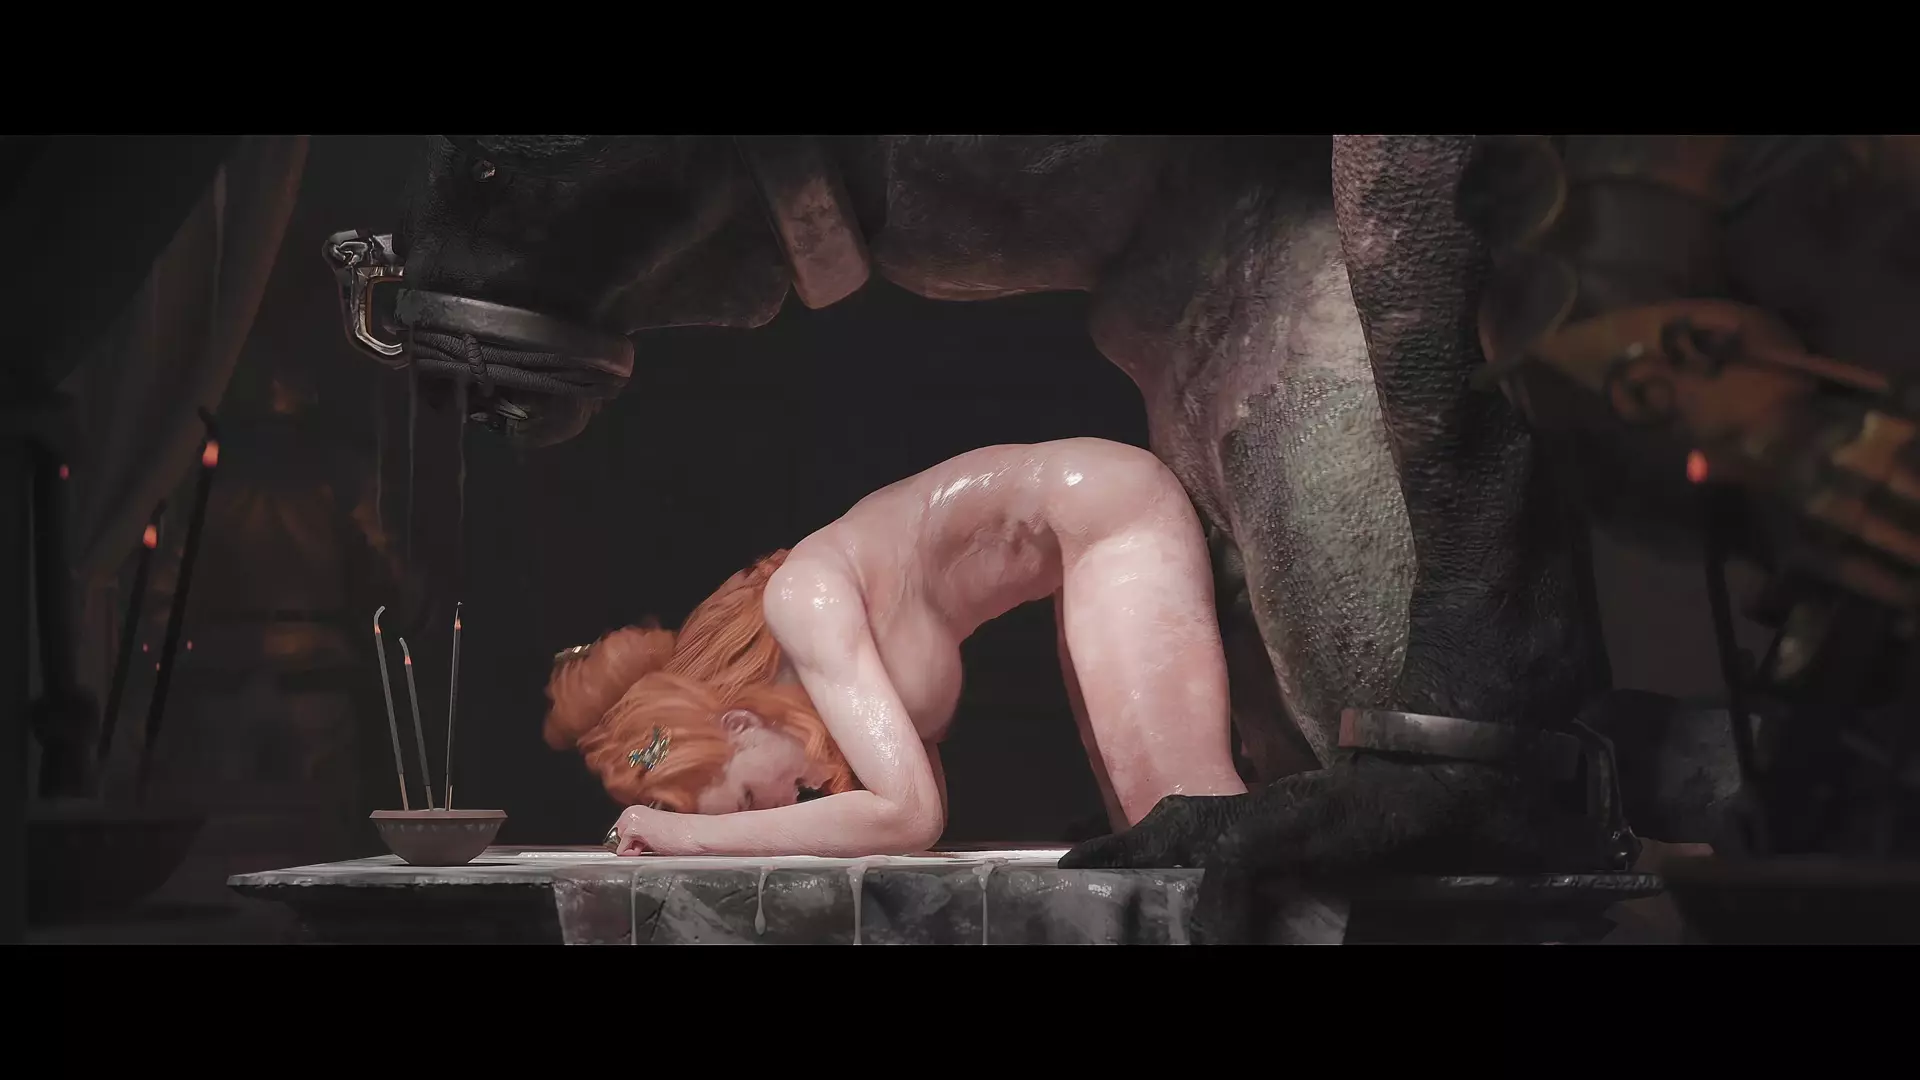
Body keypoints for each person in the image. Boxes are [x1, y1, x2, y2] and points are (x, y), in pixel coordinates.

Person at [549, 437, 1248, 858]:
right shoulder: (827, 673)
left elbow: (910, 817)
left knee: (1192, 834)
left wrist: (686, 839)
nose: (779, 809)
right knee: (1157, 847)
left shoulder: (802, 600)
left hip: (1104, 513)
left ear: (738, 725)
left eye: (750, 797)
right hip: (1087, 534)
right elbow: (907, 821)